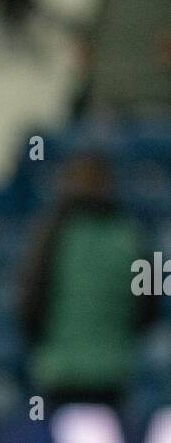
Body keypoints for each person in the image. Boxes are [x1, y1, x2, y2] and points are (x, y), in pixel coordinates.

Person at [19, 152, 159, 408]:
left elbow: (29, 301)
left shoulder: (52, 235)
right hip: (113, 372)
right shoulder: (131, 237)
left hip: (59, 370)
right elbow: (149, 305)